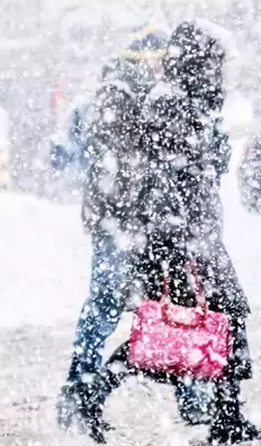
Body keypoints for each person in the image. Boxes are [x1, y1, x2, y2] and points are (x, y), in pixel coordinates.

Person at [76, 21, 259, 444]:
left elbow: (198, 171)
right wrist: (179, 244)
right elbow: (168, 179)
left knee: (204, 326)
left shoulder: (189, 101)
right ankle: (95, 394)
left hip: (195, 236)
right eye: (214, 62)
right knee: (175, 331)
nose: (220, 72)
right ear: (197, 61)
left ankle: (226, 415)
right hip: (178, 240)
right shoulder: (169, 103)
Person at [56, 26, 213, 433]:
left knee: (173, 305)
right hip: (123, 224)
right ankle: (80, 391)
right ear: (148, 60)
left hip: (138, 223)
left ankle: (191, 396)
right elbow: (121, 168)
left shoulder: (135, 95)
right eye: (163, 59)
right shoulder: (121, 95)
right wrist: (141, 209)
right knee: (111, 305)